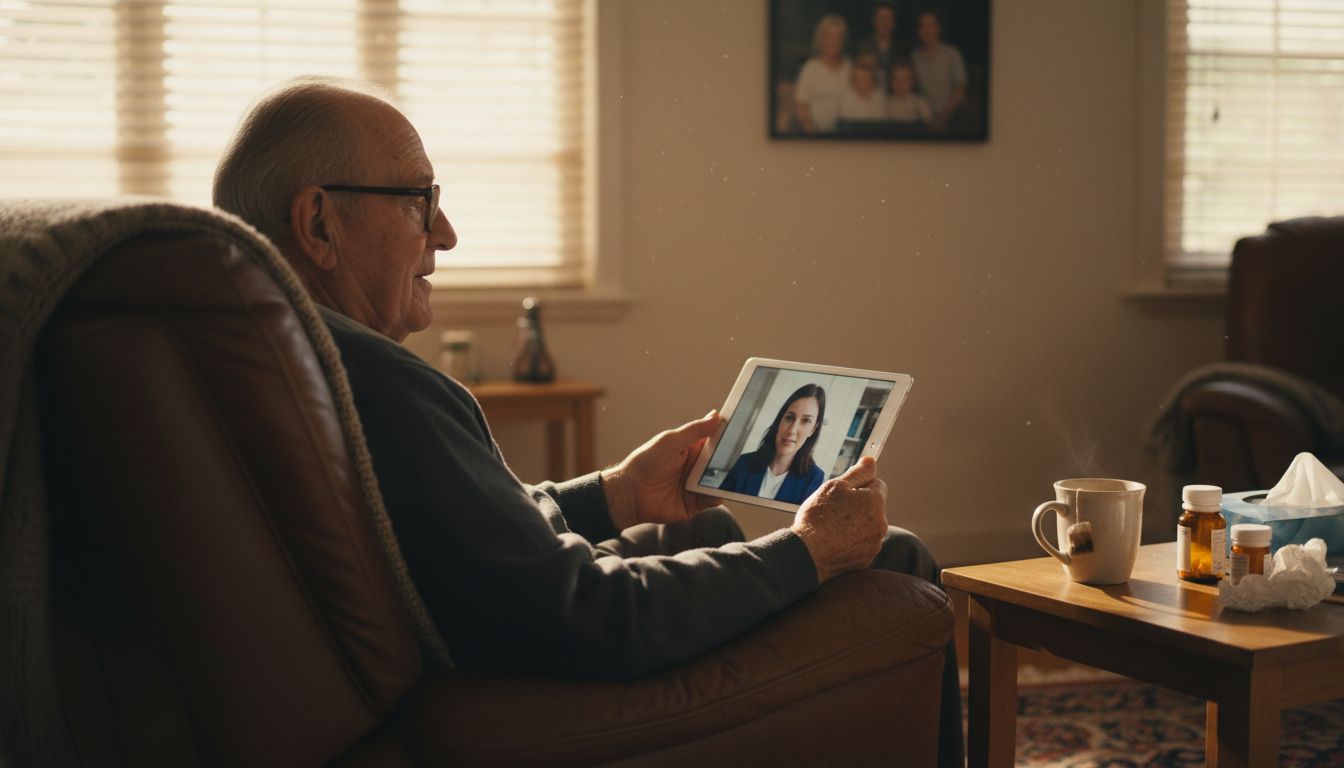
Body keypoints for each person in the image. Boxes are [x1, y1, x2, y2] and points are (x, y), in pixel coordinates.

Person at [212, 75, 963, 767]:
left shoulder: (274, 361)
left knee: (698, 529)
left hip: (473, 661)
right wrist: (811, 552)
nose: (444, 233)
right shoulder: (381, 388)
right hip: (538, 690)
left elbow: (457, 544)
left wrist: (615, 494)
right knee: (892, 560)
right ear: (318, 223)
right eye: (418, 199)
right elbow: (591, 617)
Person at [719, 384, 828, 505]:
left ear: (813, 429)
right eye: (790, 418)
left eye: (806, 421)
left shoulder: (814, 478)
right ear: (780, 420)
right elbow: (717, 508)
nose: (792, 430)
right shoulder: (744, 462)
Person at [792, 14, 851, 134]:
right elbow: (801, 109)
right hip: (817, 137)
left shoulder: (851, 67)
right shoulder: (809, 69)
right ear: (821, 39)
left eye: (838, 36)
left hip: (847, 137)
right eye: (829, 36)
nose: (834, 41)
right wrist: (816, 138)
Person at [910, 8, 967, 131]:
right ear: (918, 30)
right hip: (920, 121)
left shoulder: (952, 54)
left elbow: (960, 89)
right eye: (923, 26)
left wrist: (943, 116)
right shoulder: (914, 56)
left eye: (932, 25)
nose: (927, 30)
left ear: (939, 28)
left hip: (949, 120)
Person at [854, 2, 902, 89]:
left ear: (893, 22)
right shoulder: (863, 46)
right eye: (880, 18)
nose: (884, 23)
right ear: (874, 21)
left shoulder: (901, 49)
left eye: (888, 18)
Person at [837, 57, 889, 124]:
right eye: (858, 79)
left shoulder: (880, 99)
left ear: (872, 81)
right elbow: (847, 125)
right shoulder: (847, 99)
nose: (861, 83)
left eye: (865, 79)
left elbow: (882, 122)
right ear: (853, 81)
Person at [887, 59, 933, 125]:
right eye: (896, 80)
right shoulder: (886, 102)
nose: (901, 84)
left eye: (906, 80)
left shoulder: (920, 103)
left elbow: (929, 125)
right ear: (890, 82)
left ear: (913, 81)